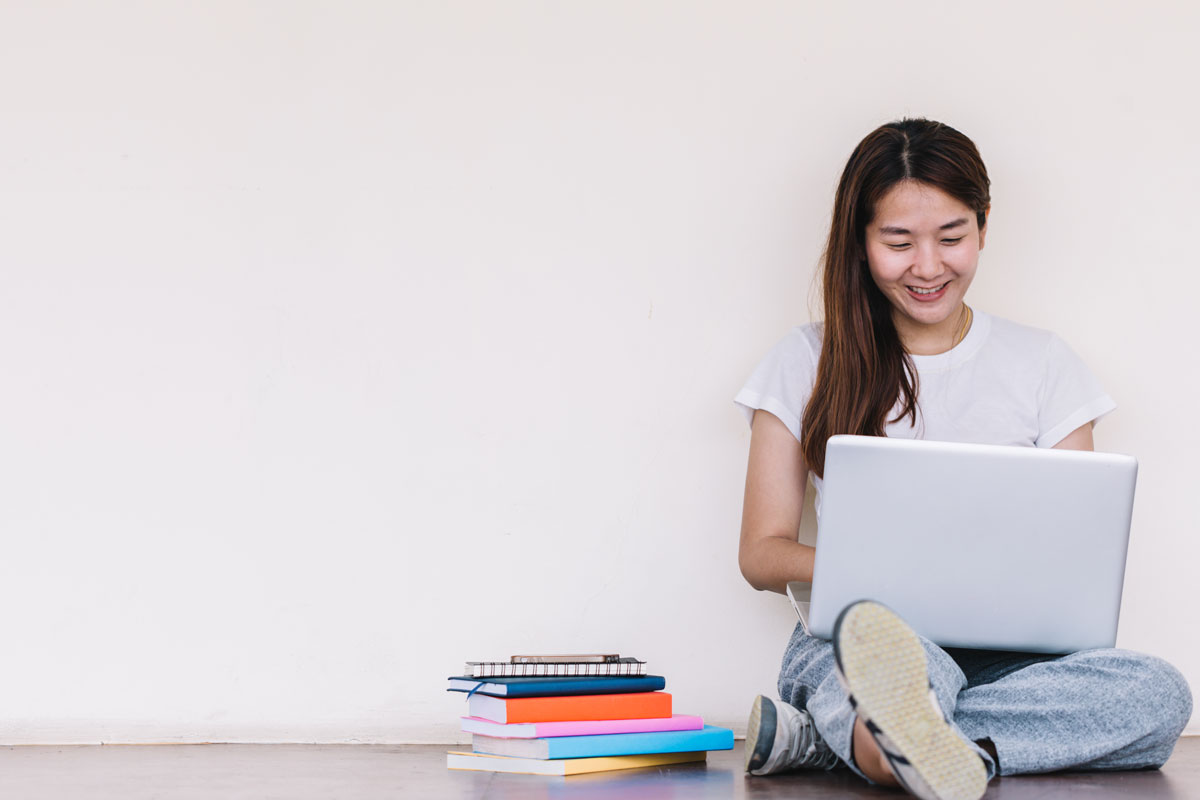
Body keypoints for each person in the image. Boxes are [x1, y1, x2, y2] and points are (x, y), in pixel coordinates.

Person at [732, 118, 1193, 799]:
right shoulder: (804, 361)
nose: (927, 266)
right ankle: (912, 731)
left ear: (982, 228)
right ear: (859, 243)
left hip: (1011, 663)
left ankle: (854, 743)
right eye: (898, 242)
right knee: (898, 666)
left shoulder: (1043, 366)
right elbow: (762, 554)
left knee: (1159, 696)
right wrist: (889, 577)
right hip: (866, 639)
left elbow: (1074, 559)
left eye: (952, 237)